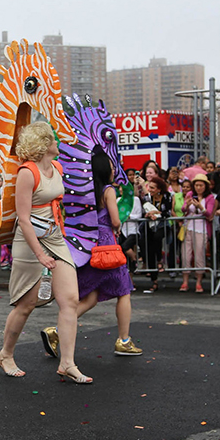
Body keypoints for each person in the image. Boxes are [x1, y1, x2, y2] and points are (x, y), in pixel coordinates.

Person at [0, 121, 91, 384]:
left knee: (70, 300)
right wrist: (39, 255)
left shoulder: (57, 167)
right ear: (44, 143)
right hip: (29, 241)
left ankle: (68, 363)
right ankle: (6, 354)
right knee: (25, 305)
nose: (57, 143)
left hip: (54, 236)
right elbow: (23, 219)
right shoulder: (28, 172)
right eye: (53, 139)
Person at [40, 152, 140, 358]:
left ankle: (56, 332)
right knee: (124, 291)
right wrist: (118, 225)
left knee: (91, 296)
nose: (114, 170)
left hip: (87, 246)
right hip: (107, 246)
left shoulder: (83, 192)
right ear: (104, 170)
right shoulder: (108, 190)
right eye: (112, 166)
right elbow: (114, 220)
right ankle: (124, 340)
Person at [180, 173, 214, 293]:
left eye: (201, 185)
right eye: (196, 185)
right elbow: (183, 209)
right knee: (186, 255)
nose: (198, 187)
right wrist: (188, 204)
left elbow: (209, 213)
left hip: (201, 228)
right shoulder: (190, 194)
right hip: (188, 227)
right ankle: (185, 281)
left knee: (200, 254)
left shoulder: (209, 198)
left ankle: (199, 282)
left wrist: (200, 206)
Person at [141, 176, 173, 294]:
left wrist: (157, 213)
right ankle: (154, 280)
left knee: (157, 238)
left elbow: (168, 212)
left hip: (162, 225)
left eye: (153, 188)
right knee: (149, 250)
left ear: (159, 189)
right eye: (149, 187)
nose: (150, 190)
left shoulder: (167, 196)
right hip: (150, 225)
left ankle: (160, 259)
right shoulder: (146, 197)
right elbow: (144, 210)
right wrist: (149, 215)